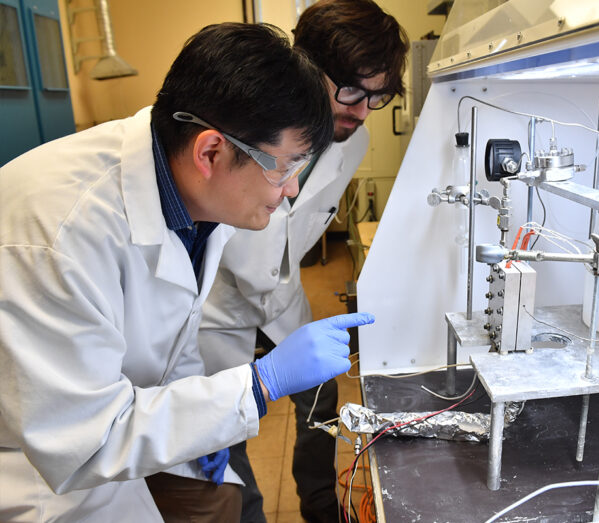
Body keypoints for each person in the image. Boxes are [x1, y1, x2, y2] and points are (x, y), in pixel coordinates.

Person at [0, 22, 373, 522]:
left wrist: (206, 425)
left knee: (223, 502)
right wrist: (258, 385)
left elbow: (175, 335)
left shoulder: (188, 190)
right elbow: (83, 441)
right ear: (211, 151)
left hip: (129, 421)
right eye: (284, 168)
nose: (288, 190)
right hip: (46, 470)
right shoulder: (56, 235)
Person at [198, 2, 409, 522]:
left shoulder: (351, 138)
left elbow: (298, 223)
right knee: (223, 429)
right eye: (352, 89)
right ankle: (244, 510)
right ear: (305, 64)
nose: (361, 111)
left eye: (377, 96)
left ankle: (319, 507)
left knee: (320, 396)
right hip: (214, 306)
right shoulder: (246, 124)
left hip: (281, 297)